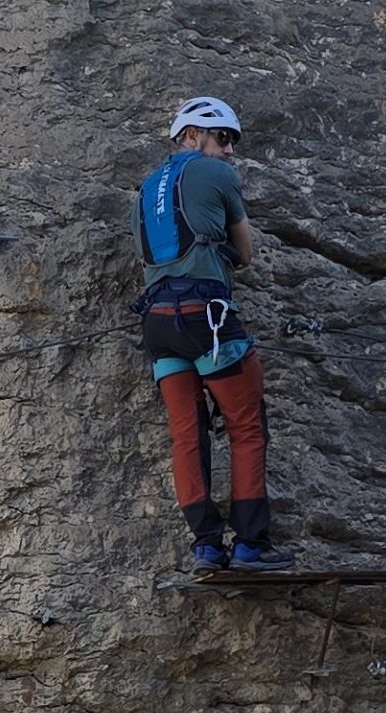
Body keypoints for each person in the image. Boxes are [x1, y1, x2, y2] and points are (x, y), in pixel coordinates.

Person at [136, 96, 291, 577]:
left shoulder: (145, 188)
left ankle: (205, 545)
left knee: (187, 433)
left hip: (158, 323)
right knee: (246, 428)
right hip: (208, 317)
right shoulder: (216, 174)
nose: (227, 151)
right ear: (191, 136)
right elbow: (246, 252)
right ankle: (249, 545)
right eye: (222, 138)